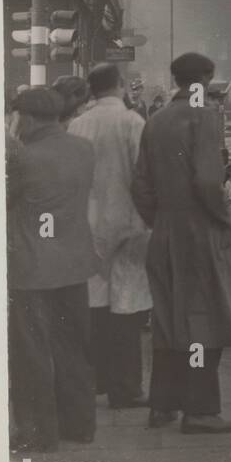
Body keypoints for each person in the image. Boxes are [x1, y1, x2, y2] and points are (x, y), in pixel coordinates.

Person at [131, 52, 231, 434]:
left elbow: (141, 185)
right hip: (199, 233)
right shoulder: (206, 117)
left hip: (164, 232)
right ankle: (200, 410)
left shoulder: (156, 120)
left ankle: (162, 405)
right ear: (208, 78)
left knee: (167, 320)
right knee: (202, 322)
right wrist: (223, 219)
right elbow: (209, 182)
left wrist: (160, 220)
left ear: (175, 78)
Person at [7, 87, 99, 451]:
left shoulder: (23, 158)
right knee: (73, 346)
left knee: (31, 352)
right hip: (74, 264)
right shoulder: (83, 149)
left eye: (15, 117)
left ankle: (37, 433)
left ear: (26, 118)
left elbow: (3, 201)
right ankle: (79, 425)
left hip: (32, 268)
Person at [69, 63, 152, 410]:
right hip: (129, 224)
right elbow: (143, 174)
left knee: (95, 305)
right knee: (128, 310)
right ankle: (125, 388)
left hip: (88, 225)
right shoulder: (133, 122)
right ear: (120, 85)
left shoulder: (78, 124)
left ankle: (97, 380)